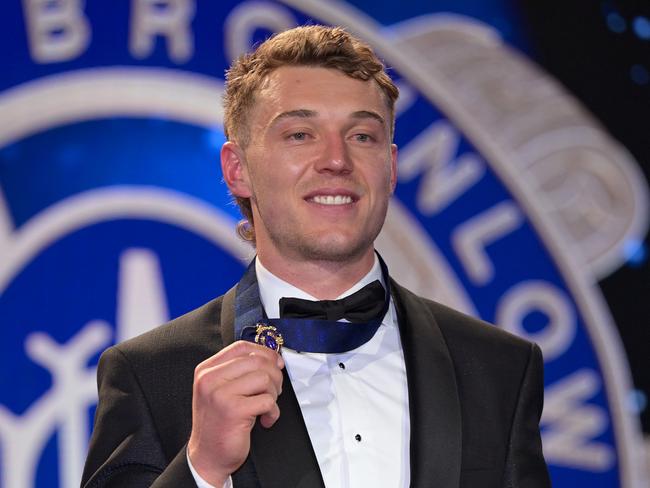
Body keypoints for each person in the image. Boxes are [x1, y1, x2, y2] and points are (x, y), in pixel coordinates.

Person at [81, 25, 550, 488]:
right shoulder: (150, 374)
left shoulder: (500, 368)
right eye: (300, 134)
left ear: (390, 168)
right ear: (237, 169)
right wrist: (202, 468)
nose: (336, 160)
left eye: (362, 136)